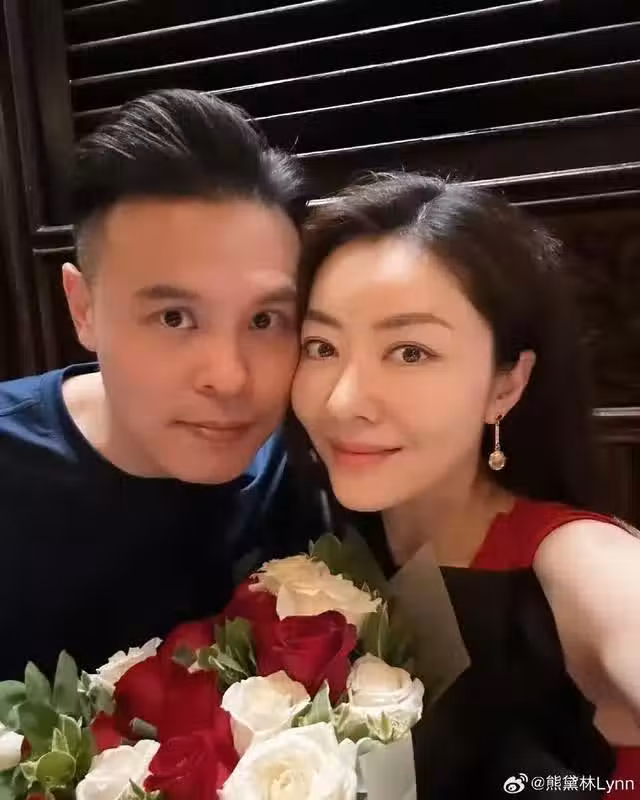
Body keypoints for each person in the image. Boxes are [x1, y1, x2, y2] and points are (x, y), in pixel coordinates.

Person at [291, 173, 640, 798]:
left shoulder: (581, 560)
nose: (342, 401)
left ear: (506, 384)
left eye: (410, 352)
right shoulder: (325, 550)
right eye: (320, 347)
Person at [0, 89, 326, 680]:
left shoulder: (306, 456)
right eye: (174, 317)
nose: (229, 378)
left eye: (264, 320)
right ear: (83, 309)